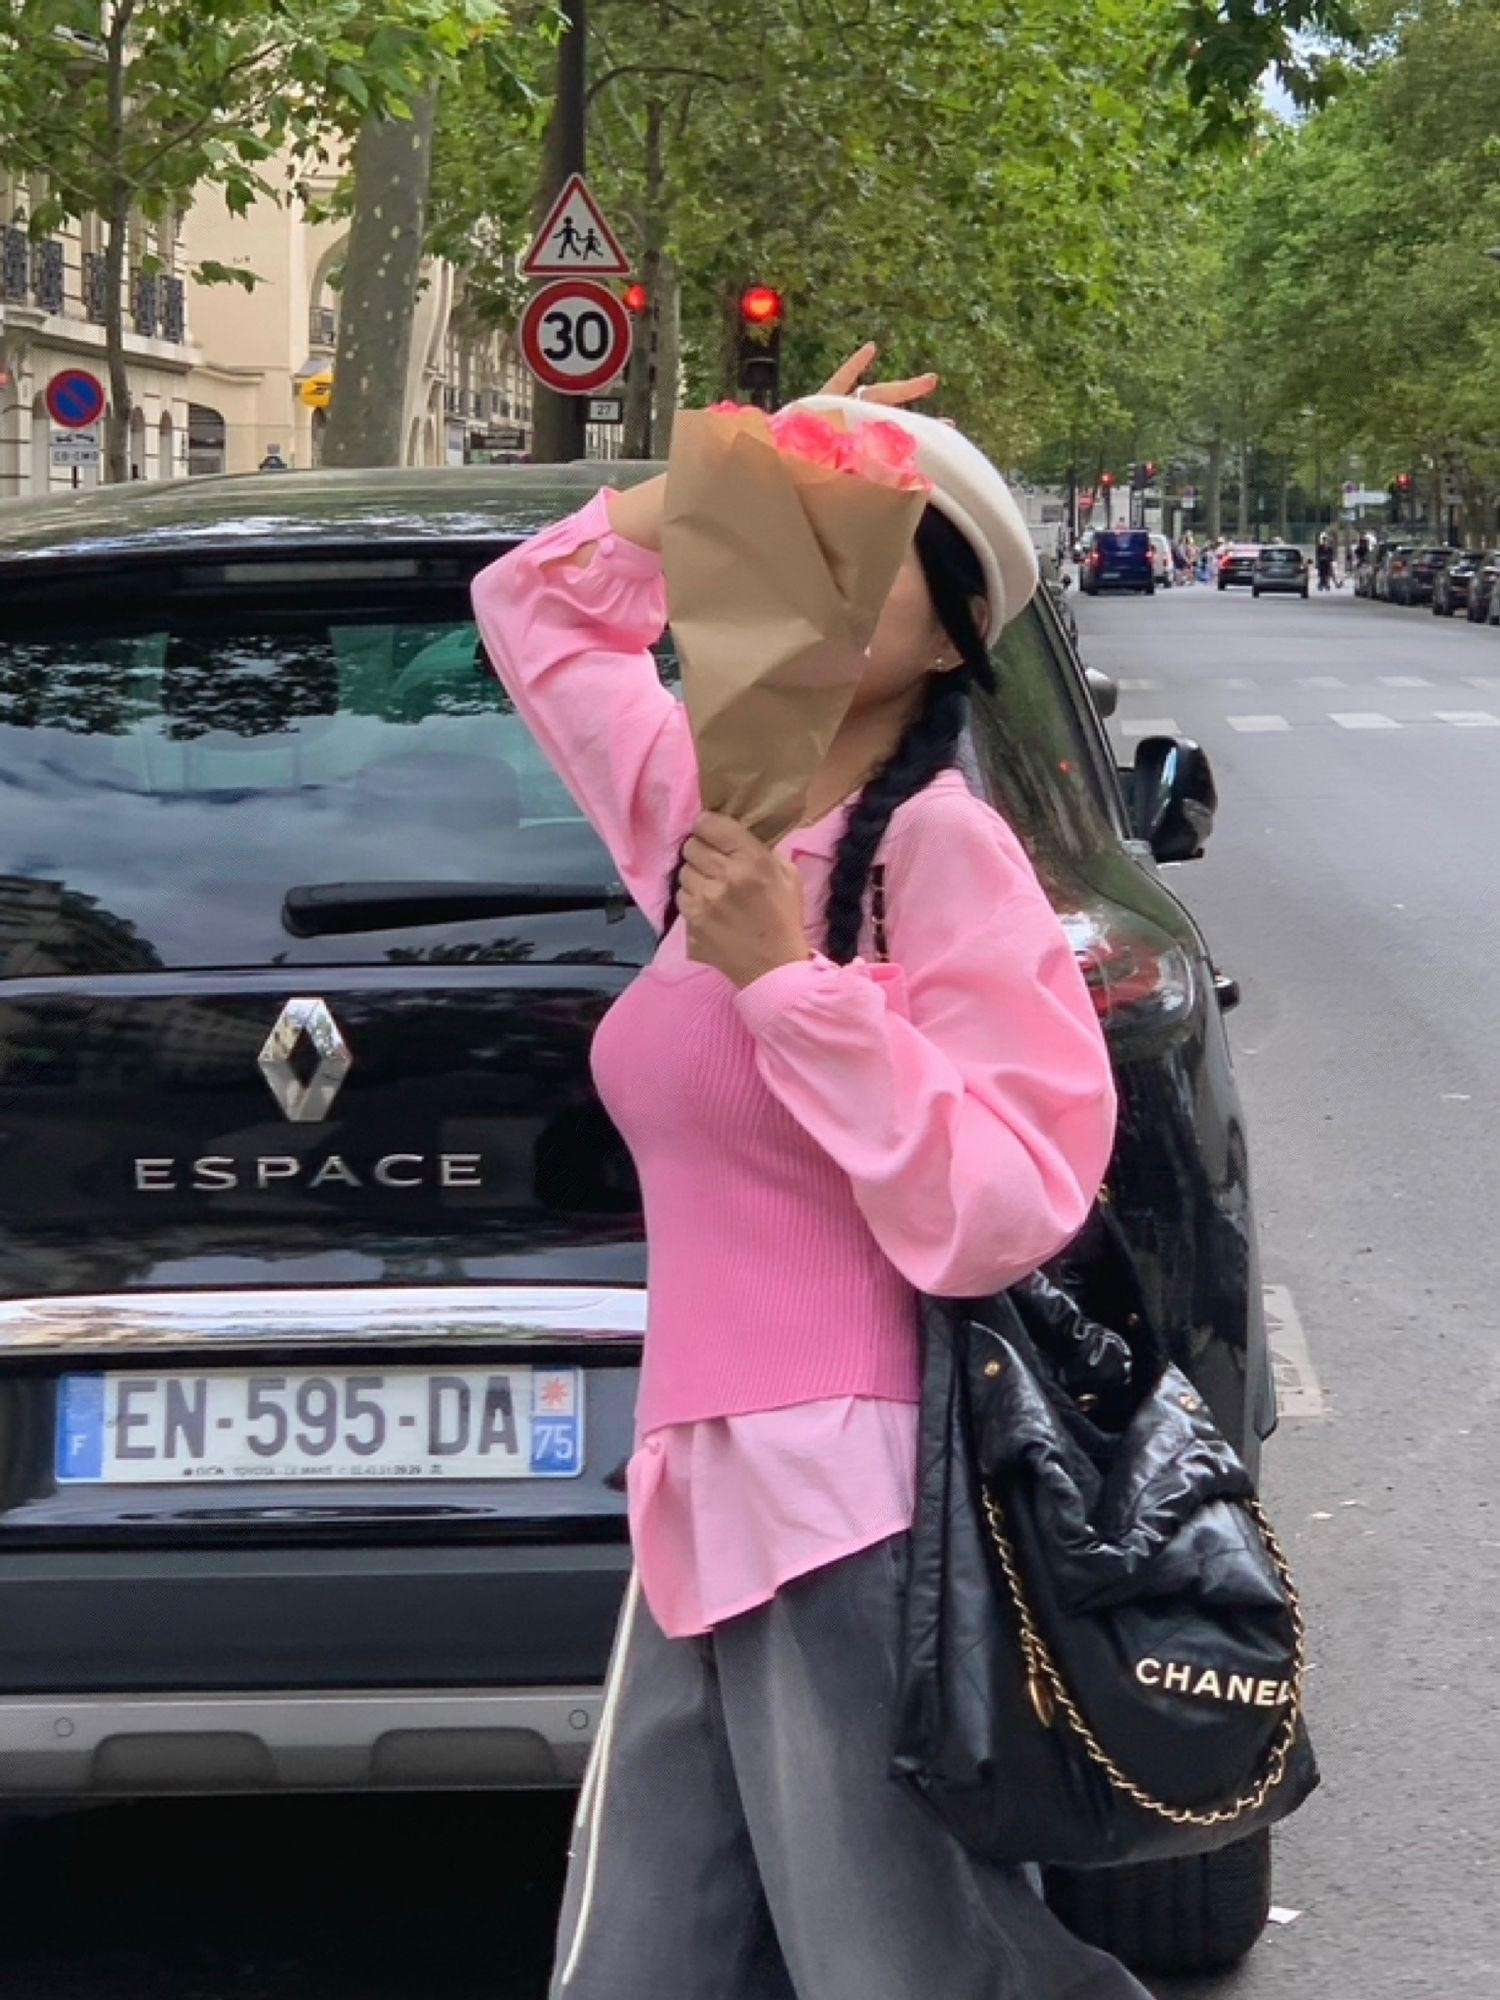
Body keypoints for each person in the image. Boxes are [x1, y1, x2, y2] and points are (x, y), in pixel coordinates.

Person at [470, 342, 1146, 2000]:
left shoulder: (938, 851)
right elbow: (536, 607)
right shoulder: (715, 818)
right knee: (641, 1966)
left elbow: (1012, 1197)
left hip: (852, 1496)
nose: (810, 569)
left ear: (951, 634)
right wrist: (733, 470)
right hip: (700, 1488)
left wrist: (790, 986)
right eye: (791, 539)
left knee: (902, 1968)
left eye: (861, 547)